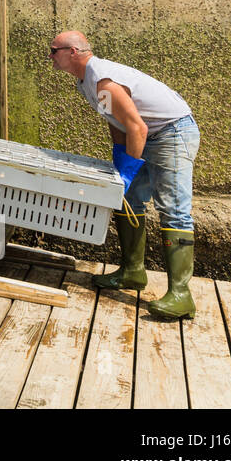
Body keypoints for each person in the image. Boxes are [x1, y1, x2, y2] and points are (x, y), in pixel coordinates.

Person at [48, 30, 200, 319]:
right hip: (147, 134)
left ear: (73, 52)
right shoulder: (87, 81)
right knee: (128, 199)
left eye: (54, 50)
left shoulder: (102, 79)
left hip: (171, 133)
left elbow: (137, 127)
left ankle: (181, 296)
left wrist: (129, 168)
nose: (50, 56)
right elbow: (115, 119)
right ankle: (132, 272)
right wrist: (121, 161)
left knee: (173, 209)